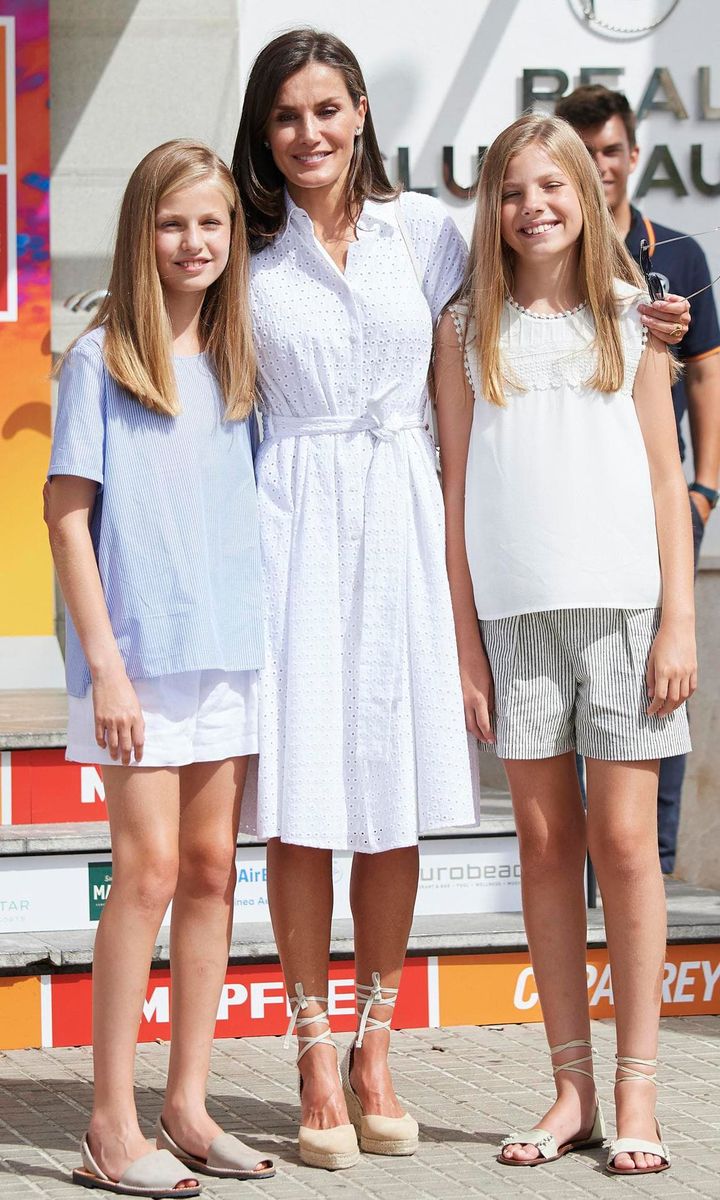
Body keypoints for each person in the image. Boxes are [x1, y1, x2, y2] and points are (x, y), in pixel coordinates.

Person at [232, 28, 479, 1171]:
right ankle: (312, 1046)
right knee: (306, 798)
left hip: (400, 518)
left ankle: (379, 1042)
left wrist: (644, 324)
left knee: (386, 794)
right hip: (292, 526)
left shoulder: (423, 231)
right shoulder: (246, 244)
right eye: (286, 116)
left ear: (364, 111)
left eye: (326, 110)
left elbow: (544, 274)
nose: (309, 134)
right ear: (264, 132)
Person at [435, 114, 695, 1176]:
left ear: (588, 196)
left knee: (627, 847)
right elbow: (454, 490)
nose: (532, 205)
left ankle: (639, 1092)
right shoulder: (461, 330)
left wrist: (680, 616)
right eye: (511, 190)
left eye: (553, 185)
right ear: (489, 209)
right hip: (513, 616)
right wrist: (464, 646)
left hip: (626, 611)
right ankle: (568, 1089)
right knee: (544, 848)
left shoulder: (633, 318)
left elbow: (666, 483)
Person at [45, 140, 275, 1196]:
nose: (195, 244)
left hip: (227, 652)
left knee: (213, 876)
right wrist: (107, 668)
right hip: (137, 659)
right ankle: (107, 1122)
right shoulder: (100, 358)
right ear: (144, 233)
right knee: (142, 876)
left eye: (213, 225)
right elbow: (67, 519)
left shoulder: (237, 358)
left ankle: (186, 1105)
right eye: (175, 224)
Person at [556, 85, 720, 873]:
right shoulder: (547, 250)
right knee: (584, 706)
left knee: (661, 686)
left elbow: (706, 378)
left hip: (660, 506)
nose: (601, 167)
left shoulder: (677, 254)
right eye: (583, 154)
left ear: (631, 155)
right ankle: (592, 884)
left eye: (611, 151)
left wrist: (704, 488)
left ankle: (649, 865)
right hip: (572, 518)